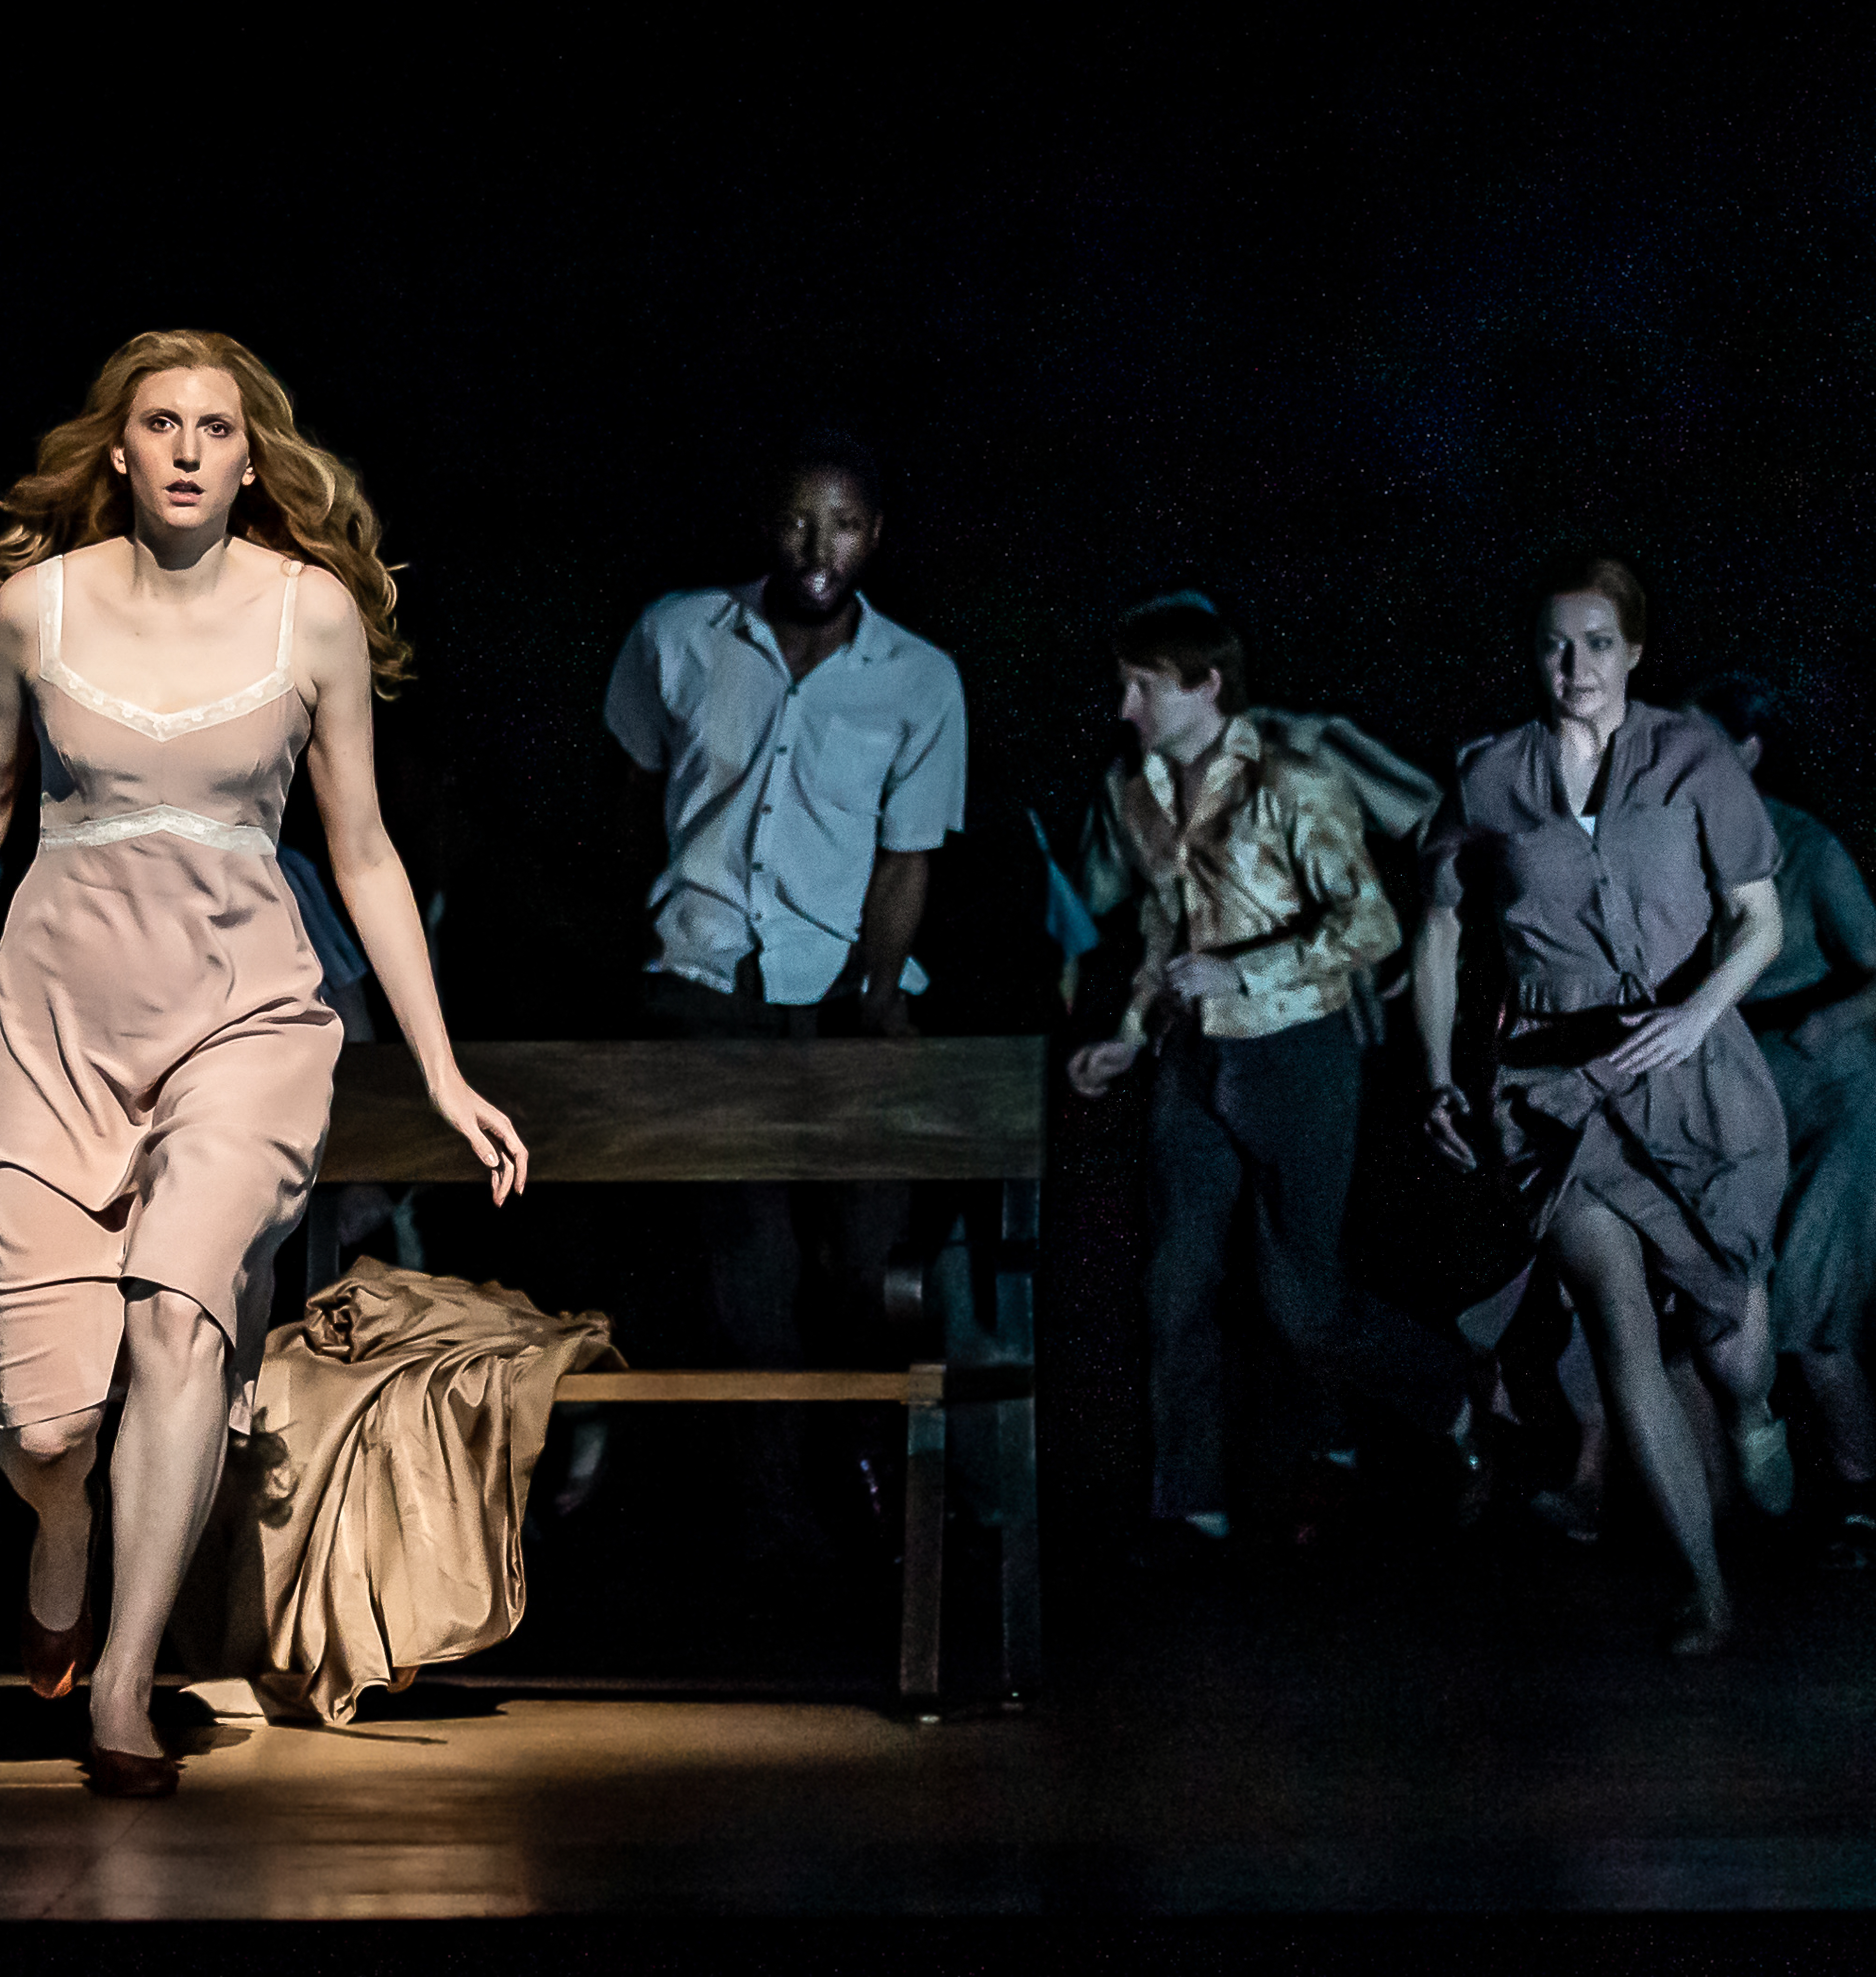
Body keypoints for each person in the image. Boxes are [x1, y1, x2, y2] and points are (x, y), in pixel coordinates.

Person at [0, 329, 529, 1795]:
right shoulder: (32, 608)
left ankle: (124, 1689)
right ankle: (62, 1536)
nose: (182, 450)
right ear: (118, 448)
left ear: (246, 454)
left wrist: (441, 1065)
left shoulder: (313, 616)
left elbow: (360, 850)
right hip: (51, 1024)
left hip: (247, 1019)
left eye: (212, 429)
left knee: (177, 1319)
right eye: (157, 424)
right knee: (46, 1428)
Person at [1413, 556, 1789, 1654]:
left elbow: (1756, 919)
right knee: (1617, 1319)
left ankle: (1756, 1413)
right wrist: (1440, 1072)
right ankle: (1704, 1585)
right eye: (1552, 644)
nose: (1572, 665)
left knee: (1729, 1337)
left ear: (1633, 650)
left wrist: (1696, 1014)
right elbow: (1436, 924)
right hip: (1553, 1089)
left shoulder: (1692, 756)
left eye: (1595, 643)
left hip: (1694, 1072)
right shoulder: (1491, 778)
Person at [1065, 595, 1481, 1562]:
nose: (1125, 704)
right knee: (1179, 1277)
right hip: (1196, 1055)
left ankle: (1453, 1388)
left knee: (1303, 1296)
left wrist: (1246, 969)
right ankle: (1190, 1506)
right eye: (1124, 683)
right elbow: (1165, 930)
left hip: (1297, 1047)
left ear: (1205, 685)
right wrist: (1132, 1031)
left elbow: (1371, 924)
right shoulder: (1138, 794)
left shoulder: (1294, 782)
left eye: (1144, 684)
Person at [604, 428, 965, 1369]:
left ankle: (866, 1466)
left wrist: (882, 994)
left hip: (845, 994)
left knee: (871, 1261)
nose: (818, 549)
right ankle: (777, 1503)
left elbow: (907, 854)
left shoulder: (920, 679)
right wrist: (654, 920)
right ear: (772, 526)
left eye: (842, 526)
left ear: (874, 536)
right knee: (744, 1266)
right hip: (705, 984)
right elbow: (636, 792)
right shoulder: (675, 634)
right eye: (801, 523)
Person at [1688, 673, 1876, 1564]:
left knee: (1813, 1307)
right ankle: (1716, 1504)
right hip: (1736, 1100)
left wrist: (1828, 1020)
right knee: (1723, 1293)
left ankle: (1859, 1499)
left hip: (1829, 1093)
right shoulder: (1680, 842)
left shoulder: (1805, 844)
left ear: (1745, 750)